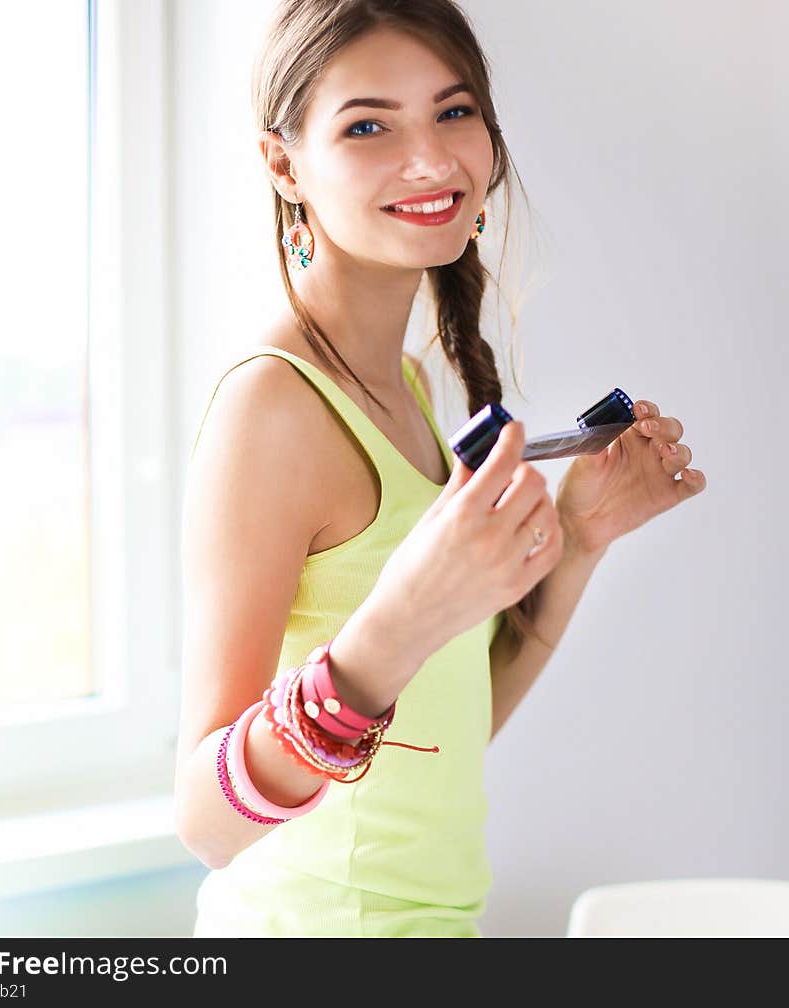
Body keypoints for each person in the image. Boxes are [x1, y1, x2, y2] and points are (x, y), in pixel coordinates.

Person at [174, 0, 707, 938]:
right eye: (369, 125)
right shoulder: (274, 409)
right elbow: (207, 825)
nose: (430, 159)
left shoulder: (410, 387)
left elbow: (438, 739)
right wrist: (391, 628)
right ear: (282, 164)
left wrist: (578, 540)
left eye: (454, 112)